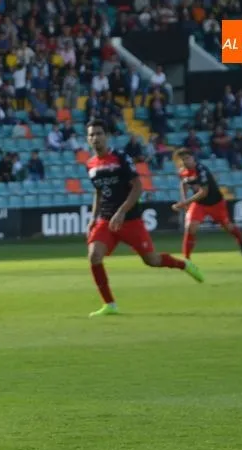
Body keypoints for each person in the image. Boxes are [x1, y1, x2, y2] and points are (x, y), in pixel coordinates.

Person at [84, 120, 203, 318]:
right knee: (94, 256)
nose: (95, 138)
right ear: (87, 140)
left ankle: (185, 265)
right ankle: (110, 304)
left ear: (106, 136)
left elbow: (138, 187)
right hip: (106, 219)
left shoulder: (120, 157)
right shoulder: (90, 164)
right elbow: (98, 191)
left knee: (152, 260)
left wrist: (121, 211)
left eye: (98, 133)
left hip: (130, 219)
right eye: (91, 135)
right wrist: (93, 217)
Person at [171, 149, 242, 260]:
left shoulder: (202, 170)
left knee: (227, 227)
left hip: (216, 203)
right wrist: (183, 199)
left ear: (193, 158)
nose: (185, 161)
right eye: (183, 159)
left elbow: (204, 192)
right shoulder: (183, 171)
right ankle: (187, 259)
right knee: (190, 227)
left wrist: (184, 203)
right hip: (199, 204)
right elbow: (184, 183)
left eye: (187, 158)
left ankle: (241, 240)